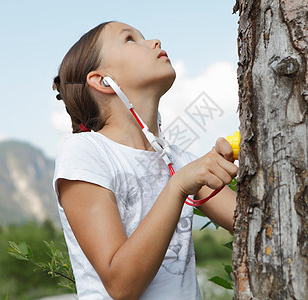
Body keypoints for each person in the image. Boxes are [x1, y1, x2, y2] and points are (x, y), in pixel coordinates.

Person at [52, 21, 238, 300]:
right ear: (102, 80)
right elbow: (122, 285)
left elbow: (251, 221)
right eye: (129, 39)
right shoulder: (84, 152)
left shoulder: (179, 160)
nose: (155, 41)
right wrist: (177, 187)